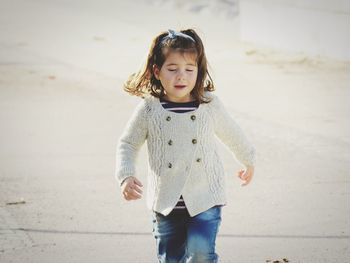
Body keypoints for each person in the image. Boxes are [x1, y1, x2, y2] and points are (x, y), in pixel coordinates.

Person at [115, 28, 256, 263]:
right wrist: (126, 176)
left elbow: (232, 132)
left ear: (198, 72)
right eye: (172, 69)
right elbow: (128, 143)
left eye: (189, 70)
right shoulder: (150, 108)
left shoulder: (209, 105)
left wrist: (248, 159)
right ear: (157, 71)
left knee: (201, 254)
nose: (181, 76)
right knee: (170, 259)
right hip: (165, 202)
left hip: (205, 197)